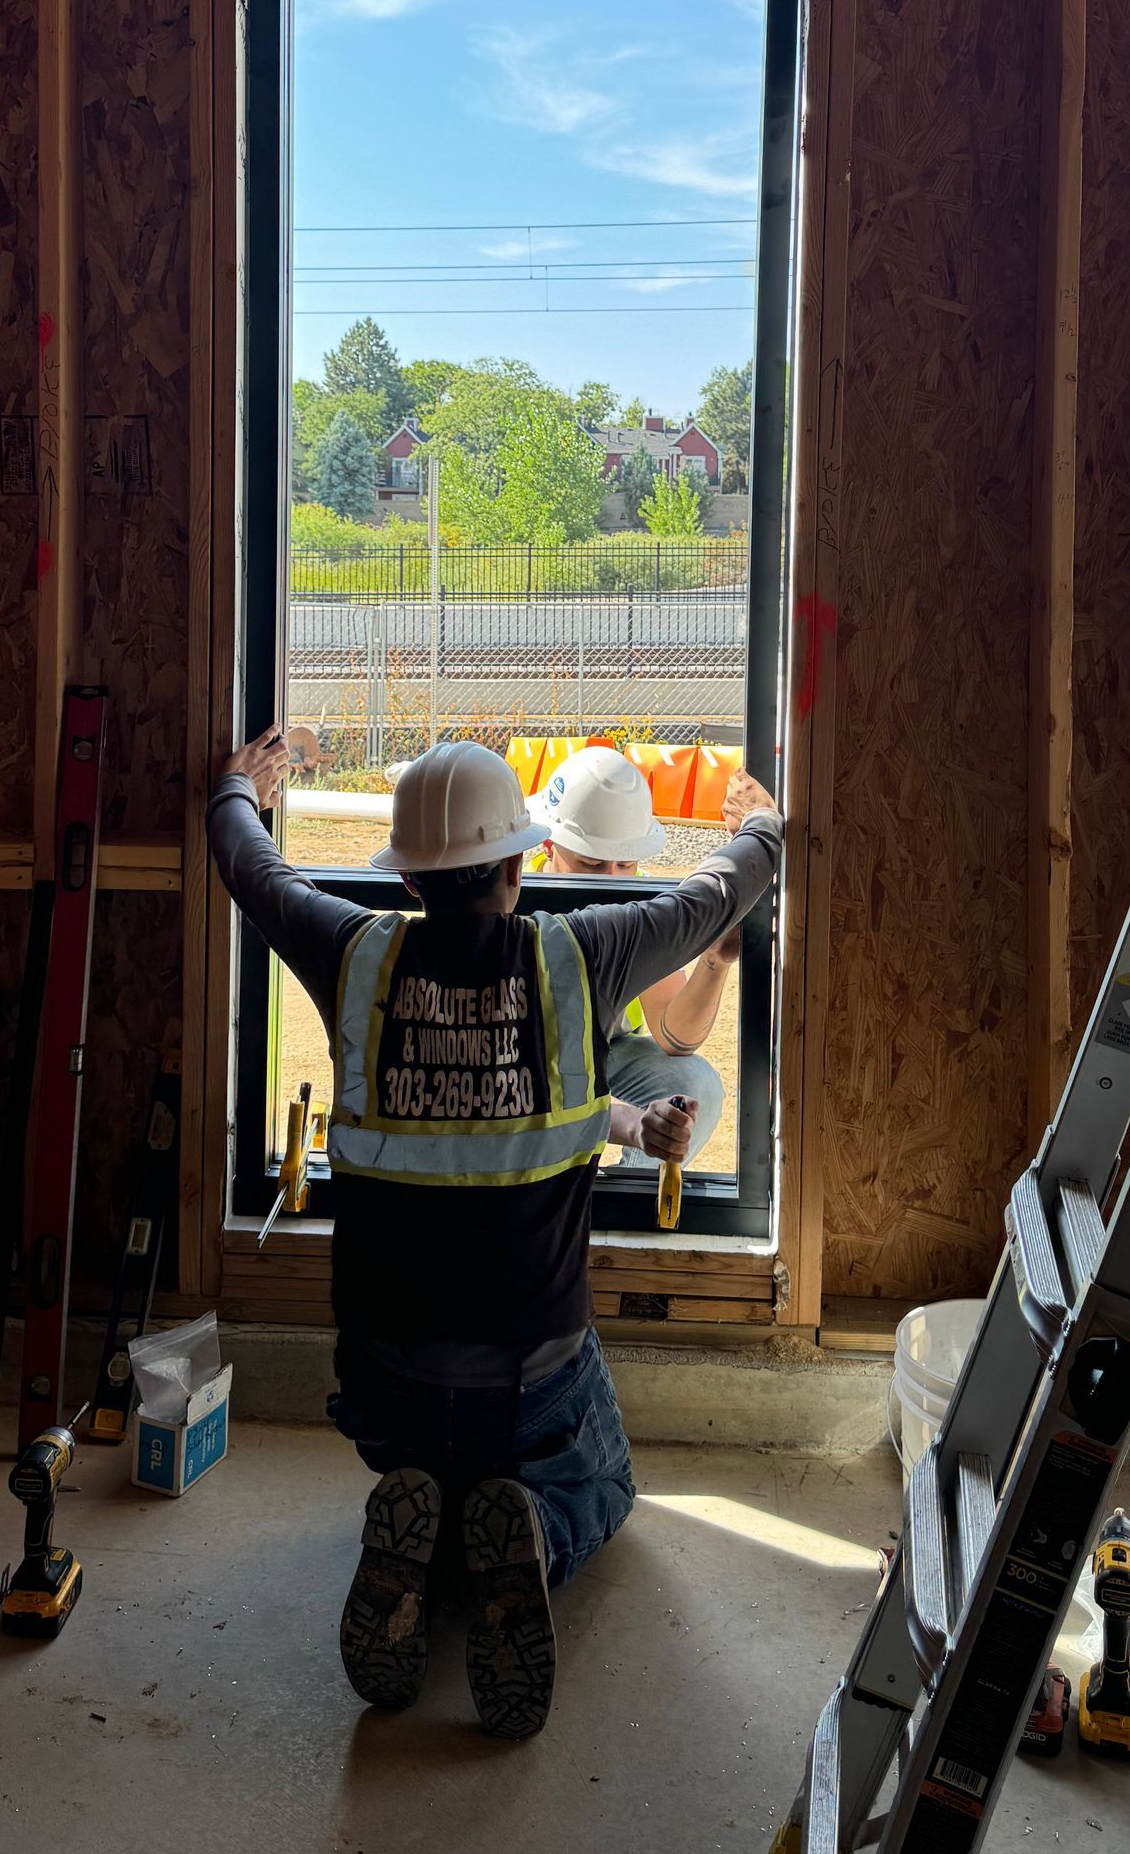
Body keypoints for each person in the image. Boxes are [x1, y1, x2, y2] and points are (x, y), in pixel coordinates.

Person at [206, 730, 782, 1743]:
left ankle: (424, 1541)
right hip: (533, 1377)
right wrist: (766, 826)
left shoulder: (356, 955)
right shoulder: (580, 955)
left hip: (383, 1381)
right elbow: (713, 895)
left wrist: (234, 791)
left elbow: (253, 873)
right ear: (521, 863)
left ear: (410, 873)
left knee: (443, 1452)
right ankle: (526, 1540)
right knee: (608, 1484)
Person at [528, 743, 736, 1170]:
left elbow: (674, 1036)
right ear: (549, 845)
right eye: (590, 864)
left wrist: (714, 962)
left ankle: (633, 1197)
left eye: (625, 866)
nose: (611, 881)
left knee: (697, 1086)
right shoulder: (522, 905)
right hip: (526, 1058)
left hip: (609, 1051)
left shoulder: (638, 908)